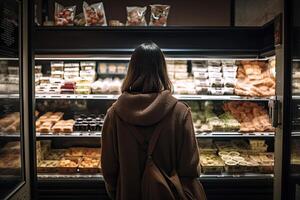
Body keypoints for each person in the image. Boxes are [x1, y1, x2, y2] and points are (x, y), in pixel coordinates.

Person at [101, 42, 206, 200]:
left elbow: (109, 170)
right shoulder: (180, 112)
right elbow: (190, 168)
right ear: (163, 71)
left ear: (131, 71)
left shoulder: (114, 114)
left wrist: (119, 191)